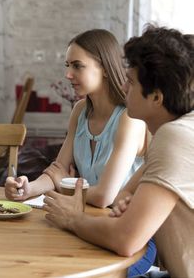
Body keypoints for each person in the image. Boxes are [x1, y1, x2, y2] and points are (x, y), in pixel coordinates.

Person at [43, 25, 194, 278]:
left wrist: (72, 218)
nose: (123, 88)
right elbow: (124, 195)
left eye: (131, 82)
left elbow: (126, 239)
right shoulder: (178, 131)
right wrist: (127, 201)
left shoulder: (175, 137)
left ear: (156, 97)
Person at [5, 29, 147, 208]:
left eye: (77, 65)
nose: (68, 74)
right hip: (85, 216)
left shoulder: (129, 118)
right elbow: (58, 169)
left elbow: (104, 197)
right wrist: (26, 188)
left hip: (120, 225)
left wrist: (65, 184)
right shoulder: (80, 111)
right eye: (68, 65)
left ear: (104, 68)